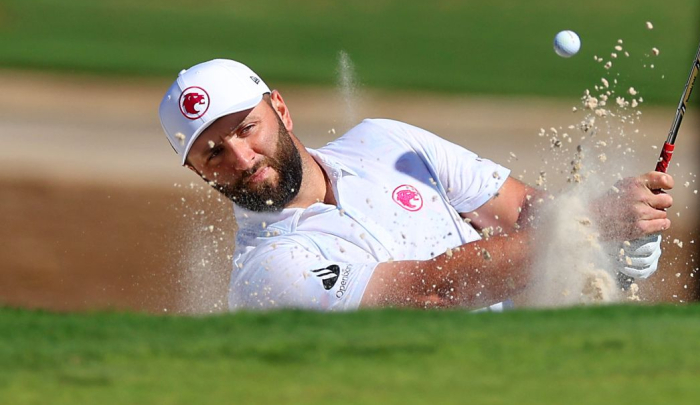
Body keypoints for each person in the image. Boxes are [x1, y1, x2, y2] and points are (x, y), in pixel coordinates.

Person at [159, 59, 672, 311]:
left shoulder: (386, 142)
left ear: (281, 110)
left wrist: (606, 240)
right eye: (213, 153)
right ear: (198, 172)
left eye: (247, 129)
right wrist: (588, 225)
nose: (242, 158)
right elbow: (429, 291)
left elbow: (522, 211)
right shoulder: (266, 272)